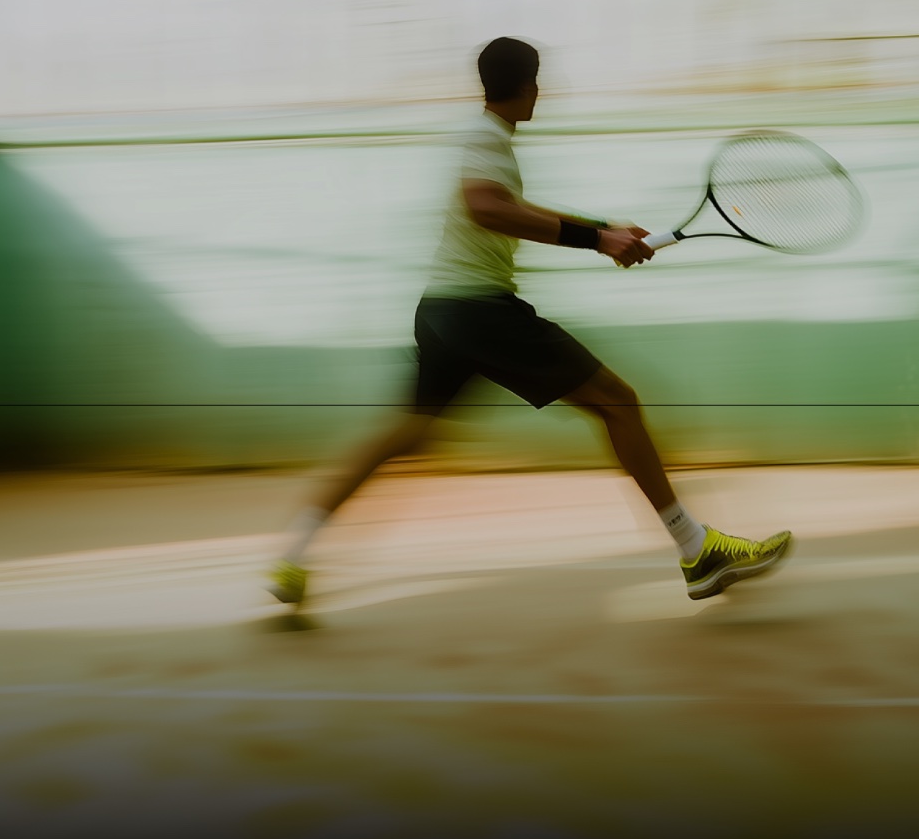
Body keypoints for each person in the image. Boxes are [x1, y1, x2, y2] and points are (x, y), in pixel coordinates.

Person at [267, 37, 791, 610]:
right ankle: (697, 551)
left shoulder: (484, 138)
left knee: (407, 434)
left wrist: (604, 229)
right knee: (619, 403)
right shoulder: (485, 138)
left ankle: (295, 552)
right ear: (528, 86)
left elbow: (507, 207)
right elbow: (486, 208)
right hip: (478, 311)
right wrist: (597, 239)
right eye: (539, 83)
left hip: (442, 311)